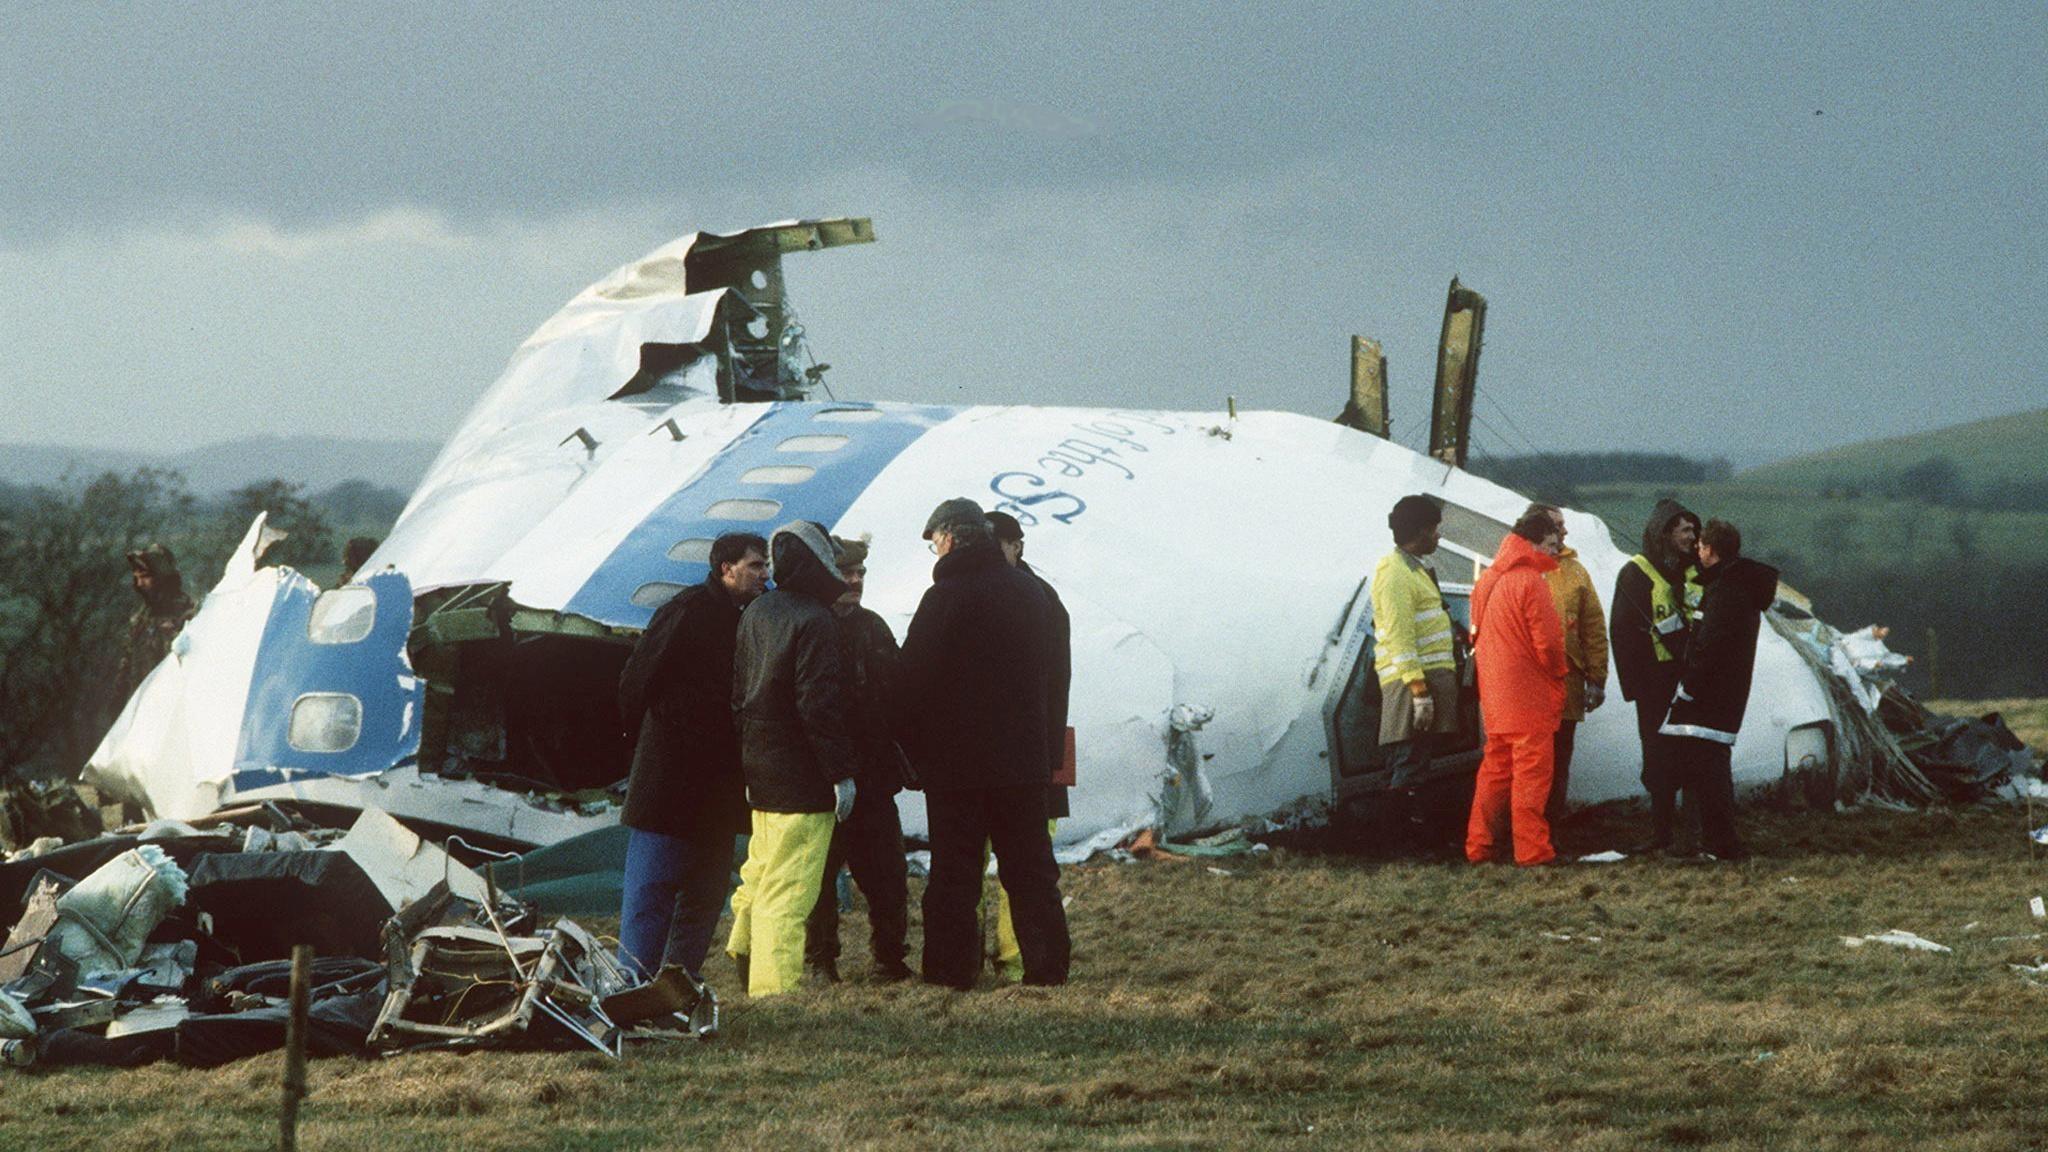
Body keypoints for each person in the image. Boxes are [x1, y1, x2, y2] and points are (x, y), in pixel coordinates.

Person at [899, 498, 1070, 989]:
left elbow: (914, 678)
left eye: (934, 543)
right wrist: (1047, 753)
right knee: (1031, 873)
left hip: (959, 770)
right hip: (1023, 765)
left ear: (950, 539)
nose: (935, 552)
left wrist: (909, 743)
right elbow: (1055, 678)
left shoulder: (946, 597)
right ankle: (1048, 969)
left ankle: (950, 975)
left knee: (955, 875)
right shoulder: (1034, 595)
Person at [612, 532, 766, 1001]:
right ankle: (633, 989)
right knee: (652, 890)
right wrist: (658, 741)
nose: (766, 573)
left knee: (705, 892)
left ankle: (678, 990)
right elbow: (636, 681)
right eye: (756, 565)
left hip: (718, 783)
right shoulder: (687, 611)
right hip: (671, 776)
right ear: (726, 568)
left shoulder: (751, 617)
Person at [725, 521, 860, 997]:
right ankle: (773, 991)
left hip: (762, 773)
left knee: (759, 874)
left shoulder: (757, 611)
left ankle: (743, 953)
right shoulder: (816, 620)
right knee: (790, 888)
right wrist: (840, 773)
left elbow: (740, 695)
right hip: (803, 782)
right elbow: (817, 706)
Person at [802, 534, 914, 984]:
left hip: (872, 778)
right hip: (819, 778)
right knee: (818, 880)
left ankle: (889, 958)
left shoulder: (873, 627)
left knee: (887, 874)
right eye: (846, 572)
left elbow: (899, 693)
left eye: (860, 573)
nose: (855, 580)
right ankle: (820, 961)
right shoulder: (808, 623)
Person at [985, 510, 1072, 983]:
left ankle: (1016, 954)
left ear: (1017, 545)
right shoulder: (1041, 598)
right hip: (1037, 751)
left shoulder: (1035, 601)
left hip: (1032, 753)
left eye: (999, 543)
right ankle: (1013, 954)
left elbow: (1051, 686)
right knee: (1027, 862)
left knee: (1026, 862)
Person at [1661, 519, 1778, 861]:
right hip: (1725, 694)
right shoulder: (1737, 586)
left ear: (1710, 550)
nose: (1696, 551)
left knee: (1708, 770)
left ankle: (1720, 844)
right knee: (1710, 767)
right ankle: (1716, 842)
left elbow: (1710, 646)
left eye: (1700, 546)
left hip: (1711, 697)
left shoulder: (1727, 592)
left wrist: (1688, 688)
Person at [1465, 511, 1568, 866]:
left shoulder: (1487, 580)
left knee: (1495, 772)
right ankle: (1532, 852)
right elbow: (1550, 645)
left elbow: (1474, 634)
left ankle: (1480, 847)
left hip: (1493, 695)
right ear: (1537, 541)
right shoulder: (1531, 581)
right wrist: (1559, 674)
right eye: (1553, 543)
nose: (1556, 551)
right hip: (1529, 696)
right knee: (1531, 776)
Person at [1609, 499, 1703, 853]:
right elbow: (1621, 630)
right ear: (1665, 533)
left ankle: (1693, 834)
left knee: (1695, 755)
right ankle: (1662, 833)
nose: (1692, 537)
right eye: (1684, 530)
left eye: (1694, 530)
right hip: (1656, 680)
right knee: (1659, 758)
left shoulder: (1697, 570)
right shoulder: (1636, 573)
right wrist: (1634, 687)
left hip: (1693, 678)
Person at [1369, 496, 1460, 842]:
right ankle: (1399, 837)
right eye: (1435, 529)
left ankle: (1403, 833)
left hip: (1423, 678)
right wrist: (1418, 690)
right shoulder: (1394, 573)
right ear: (1421, 531)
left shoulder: (1413, 568)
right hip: (1411, 681)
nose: (1438, 536)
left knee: (1414, 758)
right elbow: (1399, 635)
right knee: (1407, 758)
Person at [1530, 504, 1610, 825]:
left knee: (1560, 757)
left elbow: (1594, 626)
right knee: (1531, 761)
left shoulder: (1576, 571)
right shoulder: (1520, 569)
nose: (1565, 532)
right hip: (1530, 686)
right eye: (1557, 526)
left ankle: (1552, 825)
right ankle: (1524, 827)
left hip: (1569, 686)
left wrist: (1597, 678)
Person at [117, 544, 197, 696]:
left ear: (162, 577)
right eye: (137, 577)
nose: (140, 584)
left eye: (145, 577)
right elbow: (126, 667)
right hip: (139, 704)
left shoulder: (186, 613)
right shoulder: (142, 617)